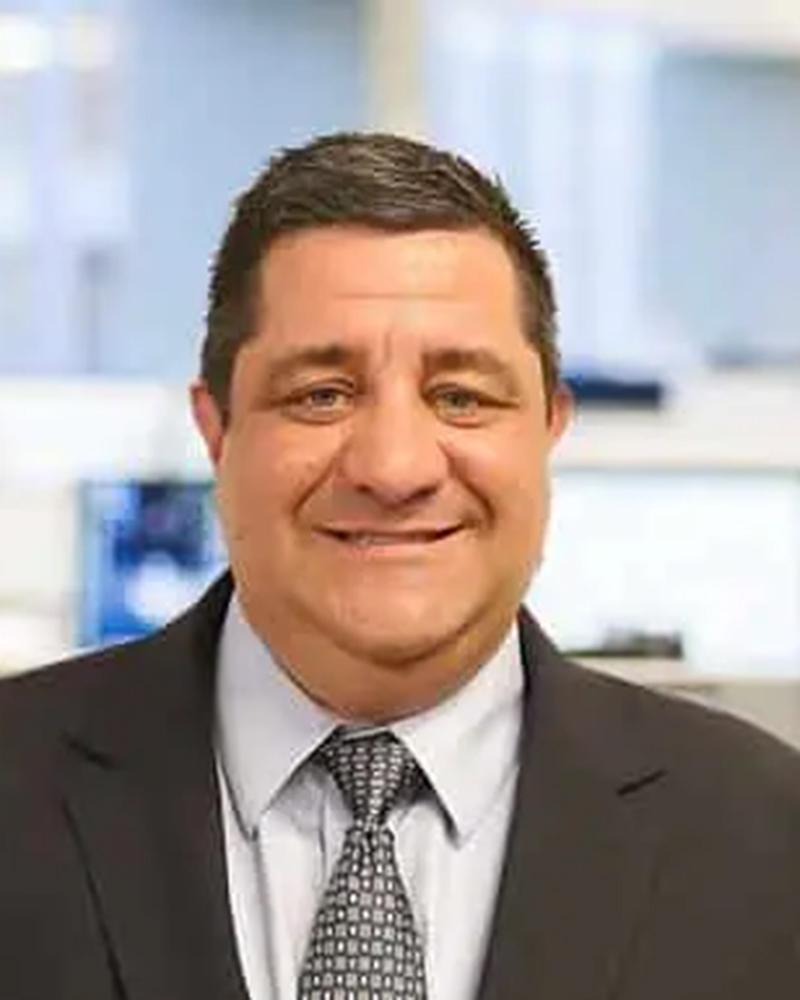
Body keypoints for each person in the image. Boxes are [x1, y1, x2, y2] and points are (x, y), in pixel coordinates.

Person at [1, 132, 799, 1000]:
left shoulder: (765, 840)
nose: (394, 468)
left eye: (461, 397)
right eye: (321, 396)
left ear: (549, 429)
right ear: (217, 430)